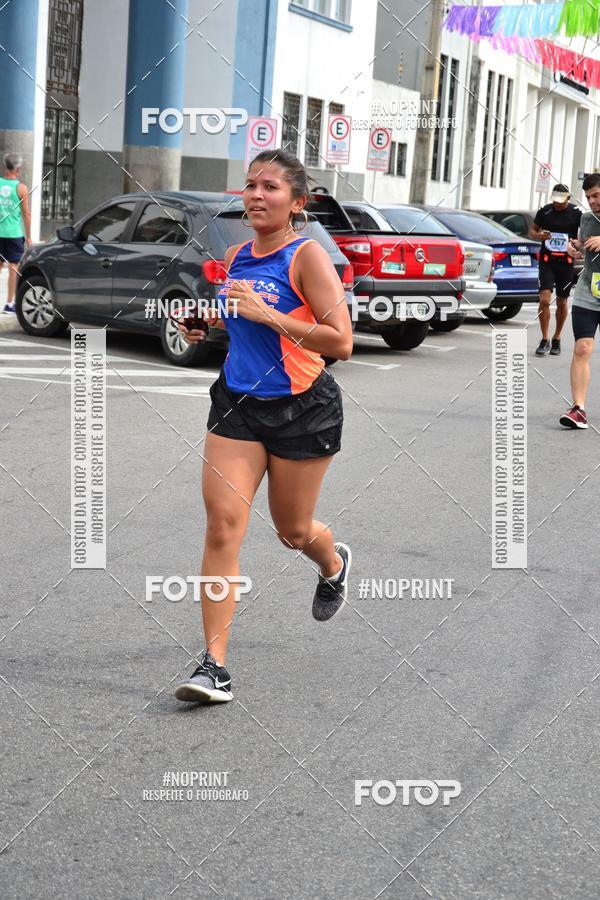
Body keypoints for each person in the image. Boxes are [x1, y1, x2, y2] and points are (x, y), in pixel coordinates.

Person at [174, 149, 354, 704]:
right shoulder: (235, 254)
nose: (255, 194)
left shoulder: (308, 258)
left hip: (303, 407)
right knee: (223, 526)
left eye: (270, 187)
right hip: (237, 405)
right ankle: (214, 667)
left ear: (296, 203)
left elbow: (340, 342)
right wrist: (209, 324)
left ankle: (332, 562)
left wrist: (267, 314)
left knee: (292, 532)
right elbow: (242, 322)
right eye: (250, 185)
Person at [559, 173, 600, 429]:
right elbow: (585, 250)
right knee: (582, 348)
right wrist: (574, 249)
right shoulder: (586, 219)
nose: (592, 201)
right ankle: (578, 409)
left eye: (596, 195)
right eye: (588, 197)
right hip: (588, 290)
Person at [530, 183, 582, 357]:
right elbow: (532, 231)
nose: (558, 204)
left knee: (562, 301)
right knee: (544, 299)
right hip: (547, 262)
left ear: (568, 197)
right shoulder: (545, 211)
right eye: (555, 201)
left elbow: (583, 234)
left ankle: (557, 338)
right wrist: (539, 236)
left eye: (561, 201)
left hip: (566, 263)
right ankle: (544, 339)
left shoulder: (576, 213)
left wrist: (577, 244)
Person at [0, 153, 31, 314]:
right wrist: (29, 236)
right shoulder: (21, 188)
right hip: (13, 234)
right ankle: (9, 304)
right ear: (18, 168)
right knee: (13, 268)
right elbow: (26, 214)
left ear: (6, 166)